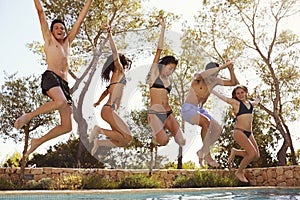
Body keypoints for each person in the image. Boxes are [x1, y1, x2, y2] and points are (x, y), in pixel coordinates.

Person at [13, 0, 93, 158]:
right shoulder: (49, 40)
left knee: (66, 127)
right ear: (51, 31)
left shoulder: (67, 43)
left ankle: (37, 142)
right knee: (60, 102)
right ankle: (28, 116)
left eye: (62, 28)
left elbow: (80, 19)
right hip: (51, 77)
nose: (60, 30)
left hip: (64, 85)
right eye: (56, 27)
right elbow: (41, 13)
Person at [181, 61, 239, 167]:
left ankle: (202, 151)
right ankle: (207, 155)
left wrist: (231, 69)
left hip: (200, 110)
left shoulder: (215, 81)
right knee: (205, 122)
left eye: (216, 75)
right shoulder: (198, 78)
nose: (214, 77)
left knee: (218, 129)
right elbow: (202, 74)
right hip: (188, 108)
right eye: (213, 74)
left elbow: (233, 83)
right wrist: (223, 66)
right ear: (208, 72)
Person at [89, 22, 133, 156]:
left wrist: (97, 102)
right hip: (108, 109)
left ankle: (100, 143)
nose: (125, 67)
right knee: (129, 137)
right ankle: (98, 130)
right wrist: (109, 34)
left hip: (109, 110)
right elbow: (115, 53)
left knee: (124, 140)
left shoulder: (116, 78)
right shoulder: (119, 71)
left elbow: (106, 91)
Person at [147, 16, 186, 148]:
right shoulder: (154, 74)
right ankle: (157, 132)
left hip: (168, 112)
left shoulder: (168, 80)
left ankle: (161, 132)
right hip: (155, 114)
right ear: (163, 65)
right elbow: (159, 49)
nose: (171, 71)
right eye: (170, 68)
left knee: (182, 141)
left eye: (173, 70)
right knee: (163, 142)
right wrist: (163, 28)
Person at [211, 85, 260, 182]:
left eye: (242, 92)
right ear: (235, 95)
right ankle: (239, 171)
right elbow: (224, 98)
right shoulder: (236, 103)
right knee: (251, 153)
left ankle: (235, 152)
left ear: (246, 92)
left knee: (256, 156)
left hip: (249, 133)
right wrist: (212, 90)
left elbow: (256, 102)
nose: (240, 95)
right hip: (239, 131)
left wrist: (258, 98)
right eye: (238, 93)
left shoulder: (250, 103)